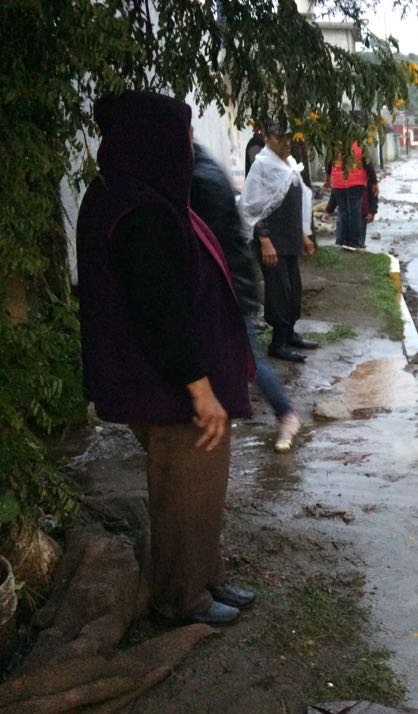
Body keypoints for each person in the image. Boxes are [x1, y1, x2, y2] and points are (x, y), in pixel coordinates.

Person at [76, 91, 255, 626]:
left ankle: (205, 576)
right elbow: (160, 312)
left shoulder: (144, 196)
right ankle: (181, 599)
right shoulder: (137, 210)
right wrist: (199, 387)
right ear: (150, 139)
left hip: (174, 379)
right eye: (179, 136)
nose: (187, 147)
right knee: (182, 492)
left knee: (201, 488)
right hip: (166, 386)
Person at [190, 142, 302, 452]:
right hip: (227, 282)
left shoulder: (200, 180)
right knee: (236, 356)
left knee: (247, 358)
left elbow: (234, 228)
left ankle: (286, 413)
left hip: (228, 286)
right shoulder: (201, 171)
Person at [238, 118, 318, 363]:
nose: (286, 143)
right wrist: (264, 240)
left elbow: (298, 202)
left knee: (293, 289)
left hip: (290, 239)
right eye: (280, 137)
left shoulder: (290, 164)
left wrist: (304, 234)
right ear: (268, 138)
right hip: (272, 241)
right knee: (279, 292)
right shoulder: (262, 165)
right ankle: (278, 342)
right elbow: (253, 207)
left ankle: (290, 332)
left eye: (289, 137)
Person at [325, 140, 379, 249]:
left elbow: (329, 163)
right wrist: (374, 182)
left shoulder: (335, 145)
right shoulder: (359, 145)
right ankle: (355, 242)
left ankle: (342, 242)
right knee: (354, 212)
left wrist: (327, 180)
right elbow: (368, 164)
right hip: (356, 182)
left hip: (338, 183)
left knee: (343, 212)